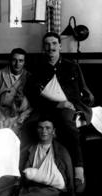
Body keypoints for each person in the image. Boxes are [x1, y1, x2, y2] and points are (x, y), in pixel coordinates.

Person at [25, 32, 94, 186]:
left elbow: (82, 91)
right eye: (48, 44)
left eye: (54, 43)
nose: (51, 47)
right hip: (45, 108)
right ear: (44, 48)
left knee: (67, 124)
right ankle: (26, 173)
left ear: (60, 46)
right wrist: (56, 104)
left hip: (68, 107)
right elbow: (33, 96)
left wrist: (75, 105)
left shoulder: (72, 66)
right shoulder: (38, 69)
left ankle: (78, 172)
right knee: (29, 125)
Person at [0, 48, 32, 133]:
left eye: (21, 61)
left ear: (24, 62)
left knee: (19, 134)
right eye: (14, 60)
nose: (17, 64)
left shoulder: (29, 77)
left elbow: (32, 103)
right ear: (10, 60)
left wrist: (22, 115)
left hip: (19, 115)